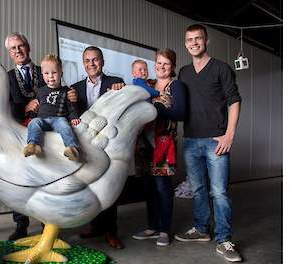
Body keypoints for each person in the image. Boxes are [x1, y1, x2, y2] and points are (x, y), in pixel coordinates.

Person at [173, 24, 243, 262]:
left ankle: (224, 241)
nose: (194, 43)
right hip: (191, 140)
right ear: (185, 44)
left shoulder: (221, 68)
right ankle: (202, 229)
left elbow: (234, 100)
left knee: (220, 192)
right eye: (189, 39)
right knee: (199, 190)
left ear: (206, 41)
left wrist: (230, 134)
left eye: (198, 39)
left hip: (216, 141)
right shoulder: (183, 72)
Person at [72, 46, 126, 249]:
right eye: (87, 60)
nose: (91, 64)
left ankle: (111, 231)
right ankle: (96, 226)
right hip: (86, 146)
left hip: (108, 145)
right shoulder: (74, 88)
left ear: (102, 62)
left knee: (108, 188)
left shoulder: (115, 83)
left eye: (95, 60)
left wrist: (122, 91)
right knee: (91, 187)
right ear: (83, 63)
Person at [132, 48, 186, 247]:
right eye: (159, 63)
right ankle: (152, 227)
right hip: (143, 144)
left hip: (163, 144)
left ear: (172, 66)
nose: (162, 67)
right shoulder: (149, 85)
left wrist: (157, 107)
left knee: (163, 187)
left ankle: (164, 230)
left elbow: (179, 114)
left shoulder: (176, 86)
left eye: (166, 63)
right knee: (148, 188)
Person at [5, 32, 46, 241]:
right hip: (18, 133)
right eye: (13, 48)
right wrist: (24, 108)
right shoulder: (7, 77)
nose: (18, 51)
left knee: (46, 175)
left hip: (46, 132)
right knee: (19, 178)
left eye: (21, 46)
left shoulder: (44, 70)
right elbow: (6, 105)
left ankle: (47, 223)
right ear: (10, 53)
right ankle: (21, 225)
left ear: (28, 47)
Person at [24, 54, 81, 161]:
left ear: (61, 73)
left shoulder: (67, 91)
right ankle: (32, 144)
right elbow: (36, 107)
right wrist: (32, 116)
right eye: (46, 73)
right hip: (42, 119)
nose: (50, 76)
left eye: (54, 72)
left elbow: (71, 107)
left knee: (65, 125)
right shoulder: (40, 91)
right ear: (42, 75)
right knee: (34, 123)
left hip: (58, 119)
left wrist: (74, 117)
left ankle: (72, 148)